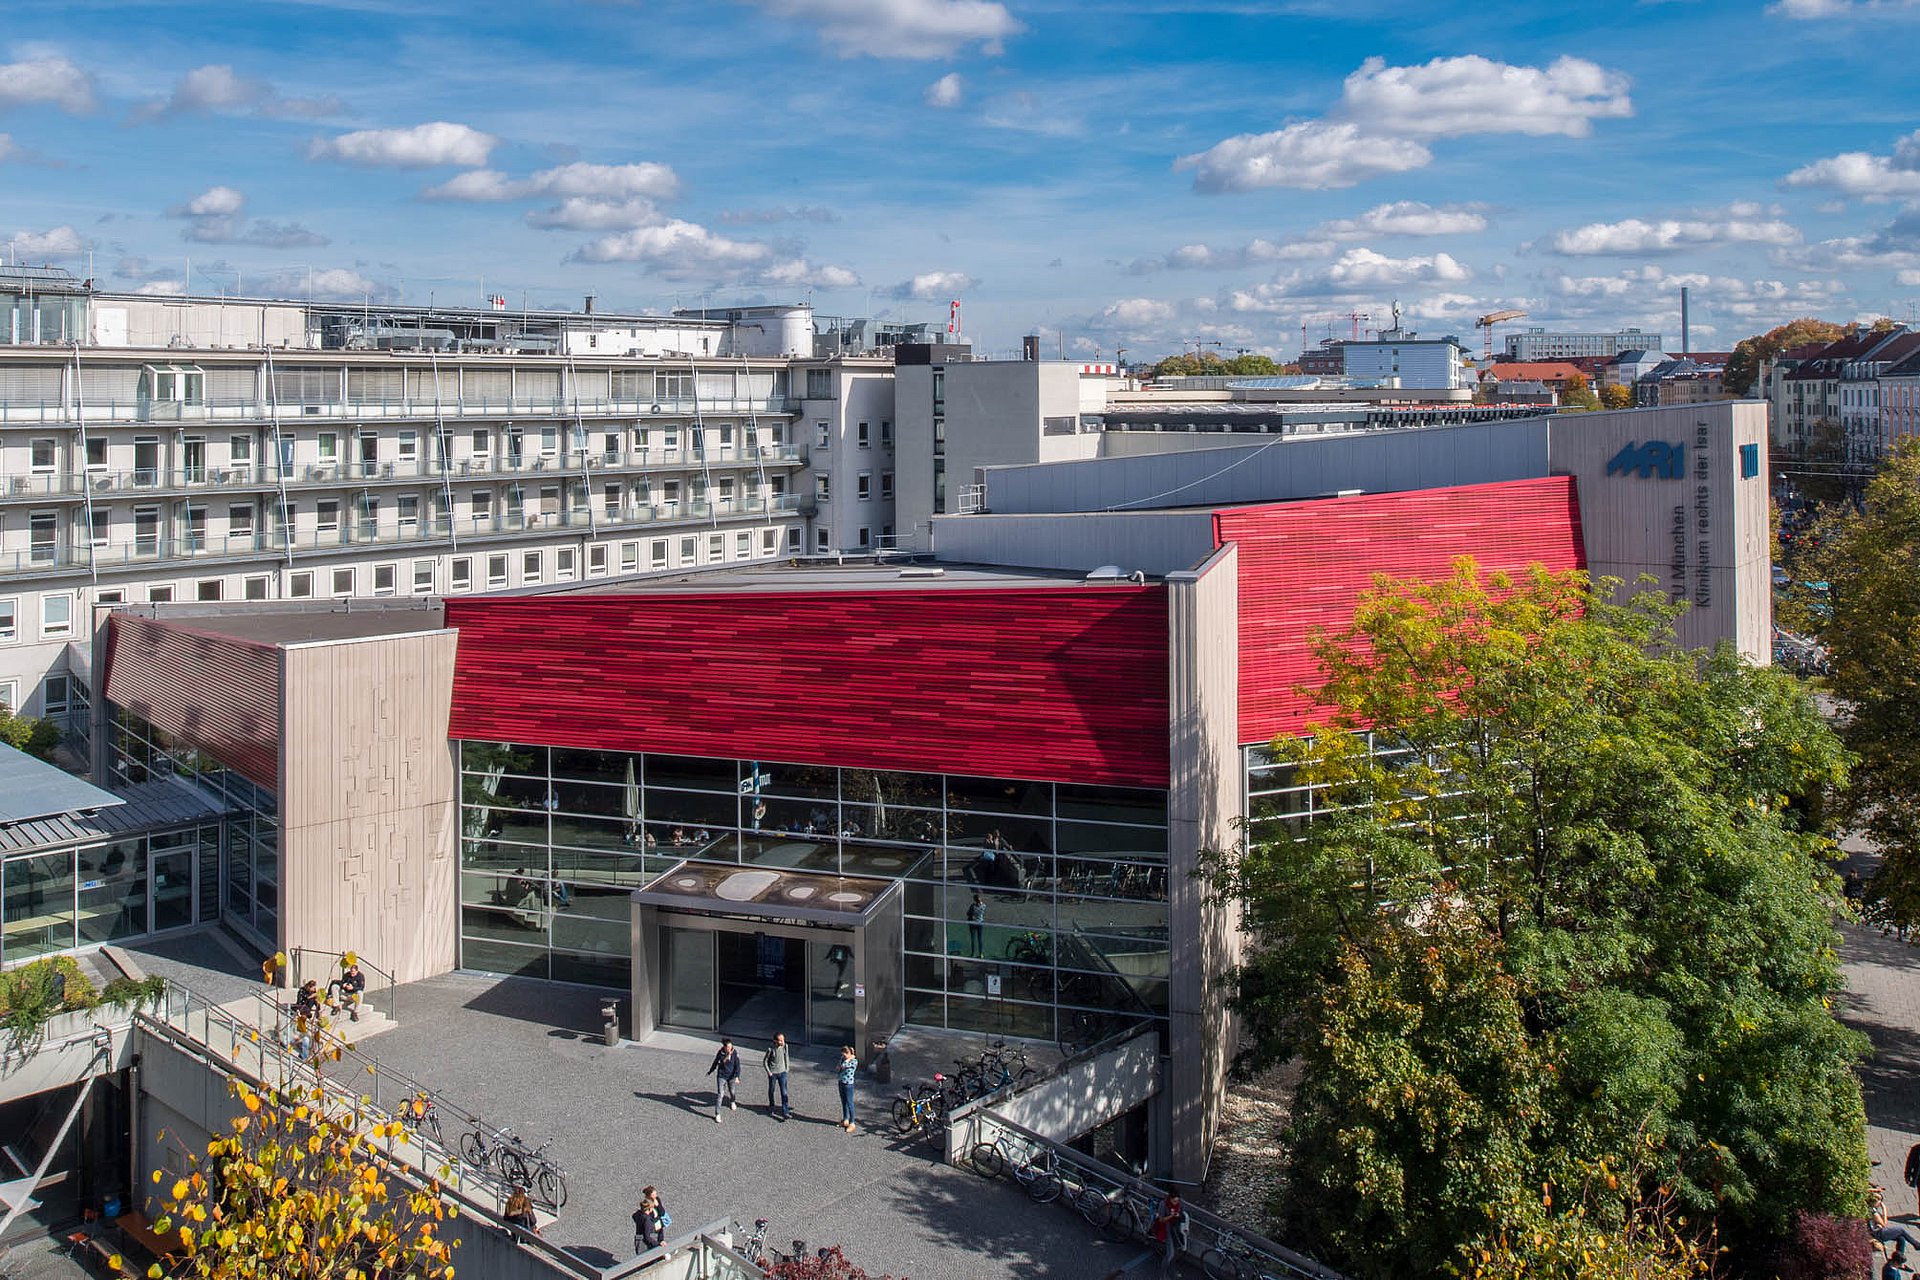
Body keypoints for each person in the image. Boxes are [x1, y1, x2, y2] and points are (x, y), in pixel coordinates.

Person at [1151, 1190, 1186, 1275]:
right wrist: (1171, 1216)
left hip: (1176, 1229)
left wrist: (1179, 1215)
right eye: (1174, 1201)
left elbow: (1182, 1214)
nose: (1176, 1203)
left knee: (1177, 1252)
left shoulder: (1179, 1203)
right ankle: (1163, 1274)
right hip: (1166, 1229)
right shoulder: (1163, 1205)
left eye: (1177, 1201)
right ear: (1170, 1199)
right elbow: (1161, 1219)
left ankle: (1173, 1269)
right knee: (1170, 1254)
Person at [707, 1038, 741, 1122]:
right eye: (728, 1047)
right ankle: (717, 1114)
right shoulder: (720, 1053)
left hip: (731, 1076)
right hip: (722, 1076)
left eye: (731, 1046)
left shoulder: (734, 1052)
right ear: (724, 1047)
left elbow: (737, 1065)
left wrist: (737, 1076)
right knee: (720, 1094)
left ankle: (732, 1101)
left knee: (732, 1091)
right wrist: (710, 1071)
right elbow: (717, 1063)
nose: (730, 1048)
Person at [764, 1032, 792, 1120]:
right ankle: (772, 1106)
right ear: (775, 1041)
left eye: (783, 1040)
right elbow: (765, 1061)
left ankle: (785, 1111)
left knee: (784, 1092)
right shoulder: (770, 1049)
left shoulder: (785, 1047)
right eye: (780, 1040)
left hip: (782, 1072)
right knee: (772, 1090)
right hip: (773, 1073)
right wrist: (769, 1072)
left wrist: (787, 1068)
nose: (782, 1042)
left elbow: (786, 1057)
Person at [632, 1186, 667, 1254]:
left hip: (657, 1231)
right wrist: (657, 1244)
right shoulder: (647, 1217)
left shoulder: (656, 1200)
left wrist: (658, 1205)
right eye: (653, 1195)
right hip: (652, 1234)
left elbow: (662, 1213)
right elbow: (647, 1236)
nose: (655, 1196)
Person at [837, 1044, 858, 1132]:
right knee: (843, 1101)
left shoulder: (854, 1061)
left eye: (846, 1053)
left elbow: (844, 1066)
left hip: (848, 1084)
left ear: (850, 1053)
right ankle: (845, 1119)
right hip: (841, 1081)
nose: (844, 1055)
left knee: (849, 1103)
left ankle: (852, 1122)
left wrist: (849, 1058)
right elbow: (838, 1067)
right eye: (843, 1053)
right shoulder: (843, 1059)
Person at [966, 891, 986, 958]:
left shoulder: (973, 906)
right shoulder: (984, 906)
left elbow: (968, 913)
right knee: (980, 938)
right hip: (980, 922)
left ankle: (973, 953)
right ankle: (981, 953)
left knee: (973, 938)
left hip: (973, 923)